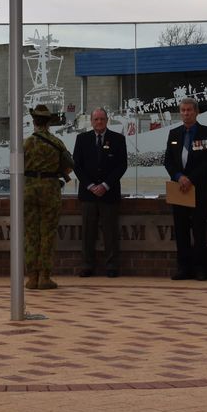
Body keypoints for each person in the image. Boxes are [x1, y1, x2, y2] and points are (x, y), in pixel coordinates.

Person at [164, 97, 207, 281]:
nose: (186, 113)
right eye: (183, 110)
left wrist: (191, 179)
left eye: (189, 110)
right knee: (181, 229)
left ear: (196, 112)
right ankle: (183, 267)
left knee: (199, 229)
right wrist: (179, 177)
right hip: (179, 189)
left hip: (199, 189)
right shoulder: (174, 134)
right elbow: (168, 160)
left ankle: (200, 268)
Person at [23, 104, 74, 290]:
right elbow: (69, 166)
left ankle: (31, 278)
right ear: (49, 122)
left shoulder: (26, 143)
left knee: (30, 234)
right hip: (50, 190)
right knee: (47, 234)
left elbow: (16, 167)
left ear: (34, 121)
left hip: (28, 190)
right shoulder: (57, 143)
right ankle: (45, 277)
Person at [72, 107, 127, 277]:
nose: (99, 122)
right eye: (96, 119)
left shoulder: (118, 139)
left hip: (108, 193)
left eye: (102, 119)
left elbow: (121, 166)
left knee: (110, 231)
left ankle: (111, 266)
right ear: (91, 121)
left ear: (107, 120)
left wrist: (105, 185)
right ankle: (87, 265)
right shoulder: (82, 139)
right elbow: (77, 166)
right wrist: (90, 186)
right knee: (88, 231)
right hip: (88, 194)